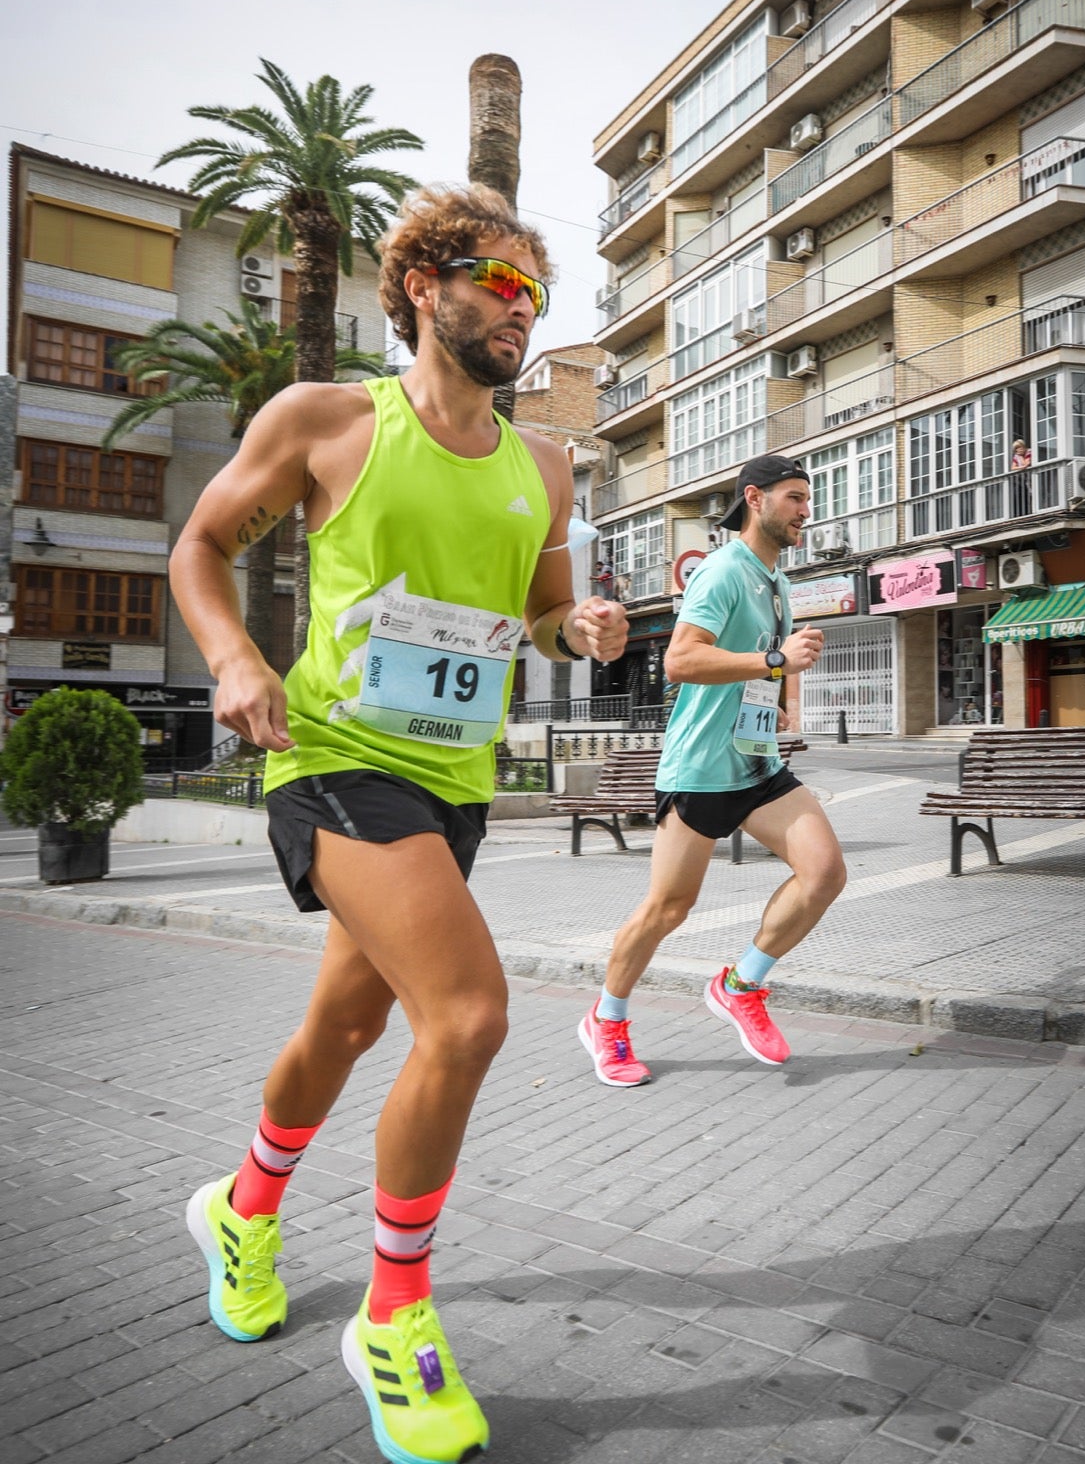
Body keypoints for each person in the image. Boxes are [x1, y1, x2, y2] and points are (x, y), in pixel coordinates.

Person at [170, 183, 628, 1464]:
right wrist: (234, 660)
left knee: (351, 1019)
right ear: (424, 286)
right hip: (329, 759)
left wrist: (574, 627)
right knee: (469, 1016)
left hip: (452, 782)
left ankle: (241, 1210)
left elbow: (539, 608)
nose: (524, 315)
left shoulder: (548, 460)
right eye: (502, 284)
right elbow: (200, 546)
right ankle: (393, 1313)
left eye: (540, 297)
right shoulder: (326, 420)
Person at [579, 454, 847, 1087]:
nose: (806, 510)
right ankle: (607, 1019)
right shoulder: (724, 570)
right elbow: (680, 661)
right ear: (754, 499)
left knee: (825, 871)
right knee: (666, 910)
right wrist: (775, 659)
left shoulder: (776, 581)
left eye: (808, 498)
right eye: (794, 497)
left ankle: (741, 984)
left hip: (756, 763)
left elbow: (758, 663)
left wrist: (777, 695)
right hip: (701, 766)